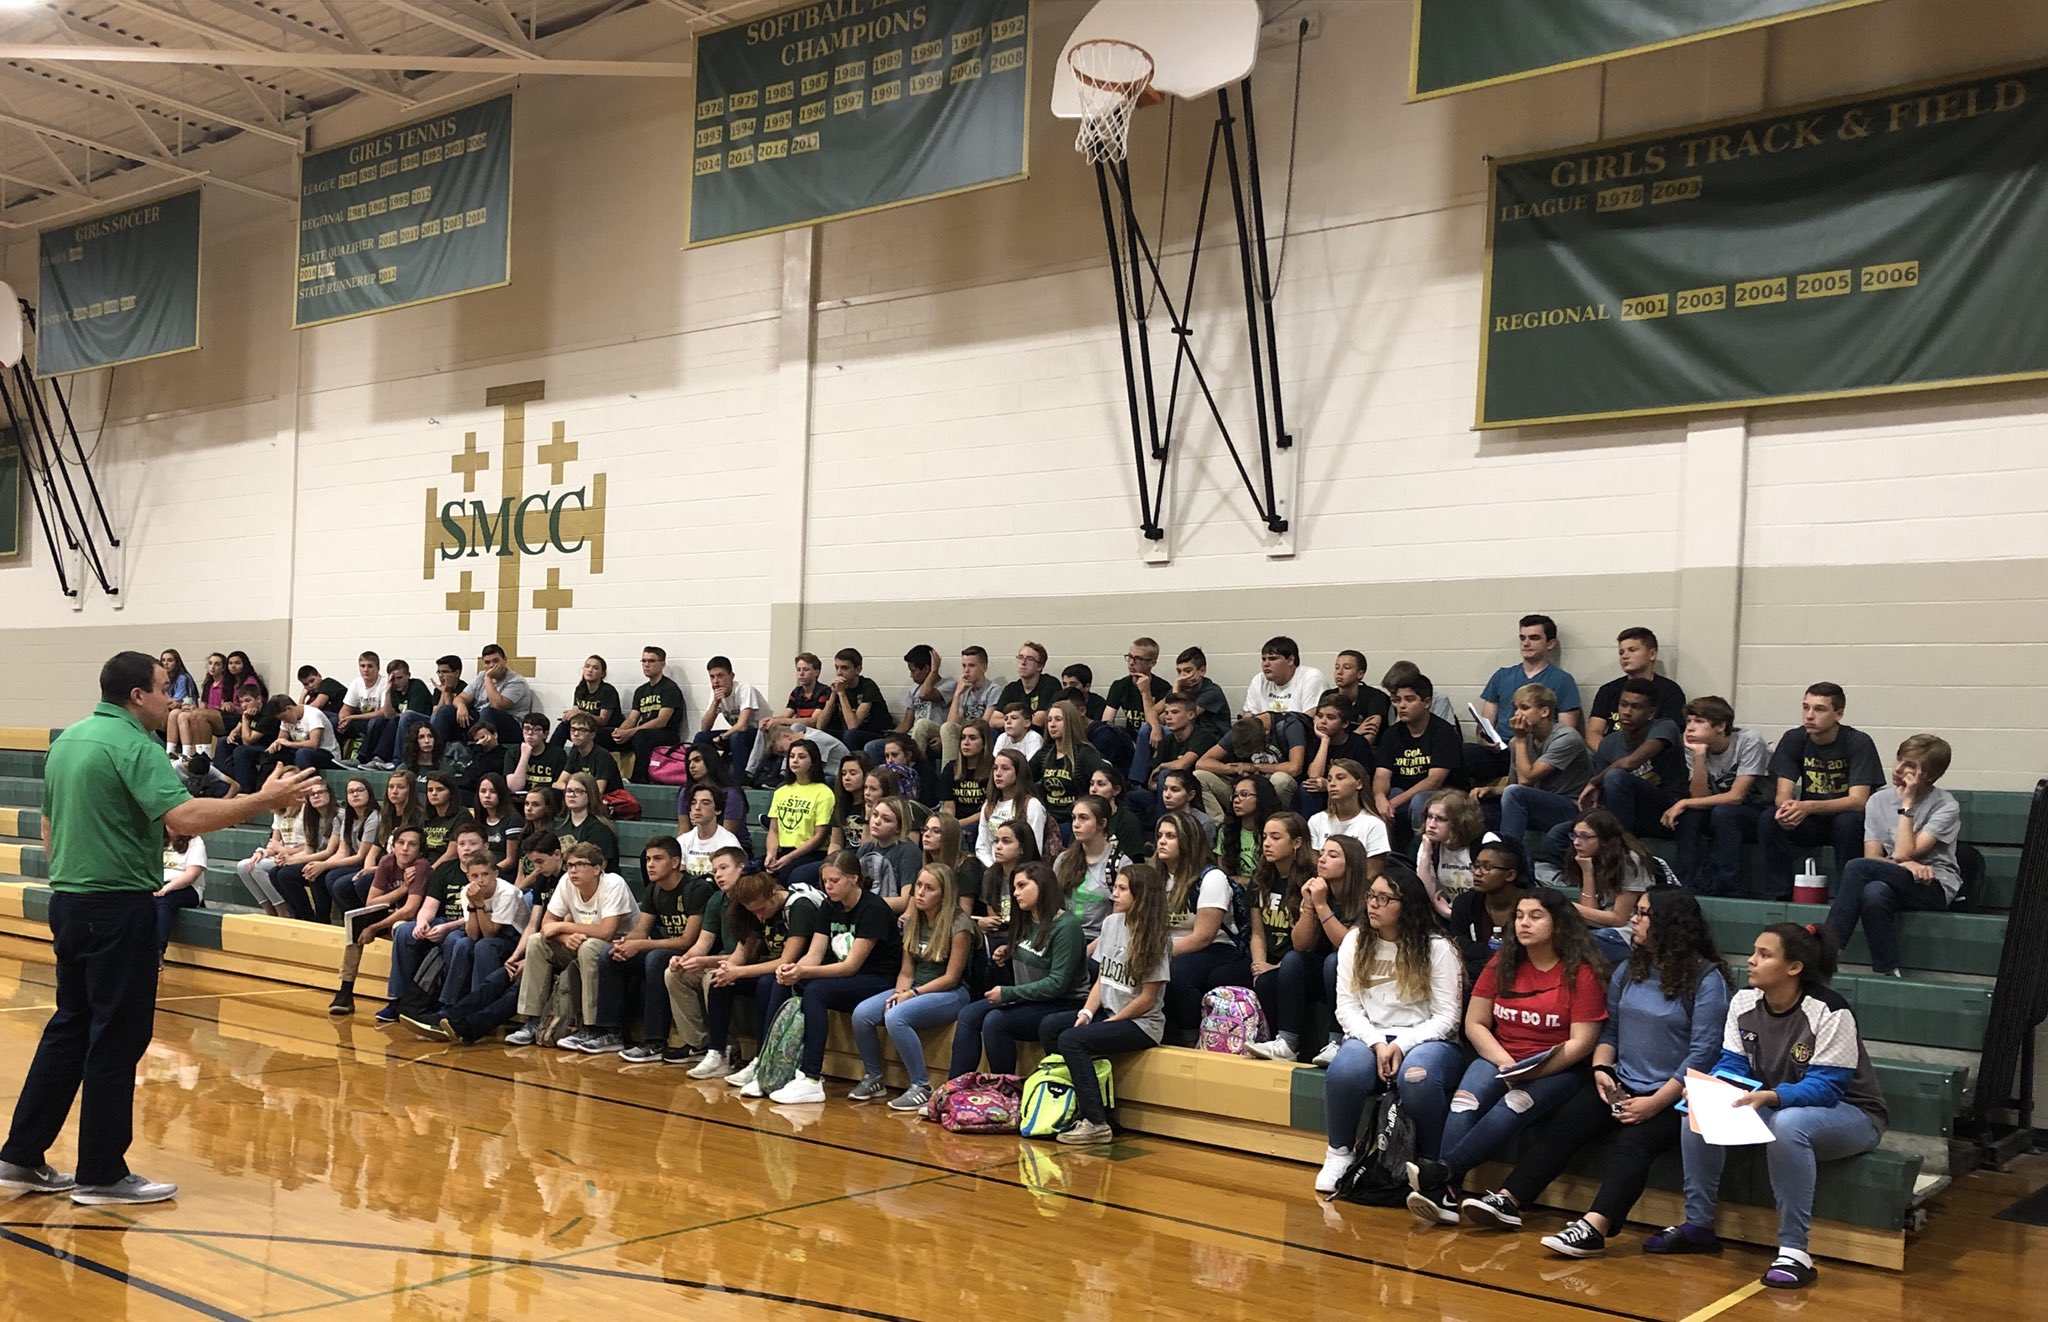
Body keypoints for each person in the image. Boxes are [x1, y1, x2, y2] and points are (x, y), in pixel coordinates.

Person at [0, 653, 315, 1206]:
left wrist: (83, 868)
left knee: (70, 1027)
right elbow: (184, 818)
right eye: (165, 688)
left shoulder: (68, 741)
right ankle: (101, 1173)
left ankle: (20, 1158)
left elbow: (50, 825)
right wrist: (263, 800)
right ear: (137, 695)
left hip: (69, 901)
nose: (173, 699)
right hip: (118, 906)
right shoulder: (135, 745)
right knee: (117, 1036)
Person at [1467, 890, 1730, 1254]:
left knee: (1633, 1143)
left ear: (1670, 923)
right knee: (1568, 1122)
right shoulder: (1629, 969)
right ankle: (1510, 1198)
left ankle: (1594, 1227)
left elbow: (1703, 1054)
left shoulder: (1706, 980)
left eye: (1643, 913)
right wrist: (1602, 1068)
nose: (1634, 919)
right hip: (1622, 1081)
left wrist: (1654, 1103)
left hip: (1676, 1095)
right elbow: (1610, 1032)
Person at [1654, 923, 1886, 1290]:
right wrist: (1711, 1087)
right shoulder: (1743, 1001)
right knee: (1698, 1110)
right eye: (1754, 951)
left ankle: (1795, 1251)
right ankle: (1699, 1225)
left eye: (1764, 955)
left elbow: (1827, 1088)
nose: (1751, 960)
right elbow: (1733, 1064)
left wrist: (1772, 1097)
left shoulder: (1830, 1010)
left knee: (1789, 1125)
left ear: (1793, 968)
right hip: (1775, 1104)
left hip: (1852, 1114)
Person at [1406, 889, 1606, 1227]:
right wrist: (1506, 1064)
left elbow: (1583, 1042)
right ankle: (1447, 1193)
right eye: (1520, 916)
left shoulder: (1581, 973)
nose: (1524, 923)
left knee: (1514, 1103)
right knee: (1464, 1102)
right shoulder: (1503, 962)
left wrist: (1532, 1072)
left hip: (1557, 1067)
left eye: (1536, 916)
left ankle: (1443, 1173)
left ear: (1558, 924)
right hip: (1502, 1056)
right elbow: (1475, 1023)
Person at [1313, 866, 1463, 1195]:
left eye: (1385, 899)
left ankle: (1431, 1163)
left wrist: (1403, 1044)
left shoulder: (1438, 948)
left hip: (1428, 1039)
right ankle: (1339, 1152)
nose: (1373, 904)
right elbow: (1346, 1007)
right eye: (1371, 896)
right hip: (1372, 1036)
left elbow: (1448, 1017)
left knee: (1417, 1077)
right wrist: (1377, 1043)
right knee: (1344, 1071)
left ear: (1407, 906)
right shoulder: (1355, 940)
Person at [1035, 862, 1173, 1145]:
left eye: (1122, 889)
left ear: (1140, 895)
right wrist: (1087, 1012)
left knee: (1072, 1040)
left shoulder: (1157, 939)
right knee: (1050, 1026)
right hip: (1109, 1012)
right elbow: (1102, 979)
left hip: (1140, 1023)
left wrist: (1112, 1022)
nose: (1114, 894)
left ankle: (1096, 1122)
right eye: (1115, 887)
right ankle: (1075, 1101)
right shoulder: (1111, 924)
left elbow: (1147, 999)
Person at [766, 850, 905, 1104]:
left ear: (853, 878)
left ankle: (811, 1077)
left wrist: (804, 972)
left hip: (877, 979)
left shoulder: (873, 908)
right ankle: (766, 1063)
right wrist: (793, 969)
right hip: (847, 978)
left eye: (835, 880)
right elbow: (815, 954)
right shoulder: (829, 906)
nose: (828, 886)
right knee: (782, 982)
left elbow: (850, 966)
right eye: (825, 881)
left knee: (816, 991)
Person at [1605, 696, 1771, 896]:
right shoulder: (1694, 747)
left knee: (1724, 813)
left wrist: (1683, 802)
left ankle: (1728, 887)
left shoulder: (1749, 740)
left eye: (1699, 721)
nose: (1690, 728)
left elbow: (1736, 797)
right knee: (1690, 816)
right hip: (1717, 809)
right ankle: (1683, 884)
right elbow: (1699, 797)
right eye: (1689, 721)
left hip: (1757, 811)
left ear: (1720, 726)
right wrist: (1699, 757)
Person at [1825, 734, 1962, 977]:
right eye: (1899, 759)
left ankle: (1826, 951)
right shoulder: (1878, 800)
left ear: (1928, 775)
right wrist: (1906, 864)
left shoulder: (1946, 806)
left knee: (1857, 868)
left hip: (1934, 884)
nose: (1898, 769)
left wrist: (1907, 804)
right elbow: (1873, 857)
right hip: (1894, 877)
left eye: (1910, 765)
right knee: (1874, 892)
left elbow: (1902, 853)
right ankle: (1887, 971)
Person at [947, 861, 1088, 1080]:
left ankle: (1005, 1089)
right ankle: (955, 1087)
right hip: (1030, 998)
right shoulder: (1026, 918)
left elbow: (1057, 984)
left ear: (1042, 885)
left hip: (1063, 1002)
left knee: (995, 1022)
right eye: (1014, 887)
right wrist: (1009, 951)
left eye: (1022, 886)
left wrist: (1008, 993)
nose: (1015, 893)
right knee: (968, 1014)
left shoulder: (1066, 927)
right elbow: (1032, 950)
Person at [850, 863, 976, 1111]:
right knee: (862, 1014)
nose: (920, 892)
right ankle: (874, 1077)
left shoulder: (960, 926)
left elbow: (951, 978)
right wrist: (899, 993)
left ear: (944, 895)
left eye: (929, 888)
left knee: (896, 1017)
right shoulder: (911, 922)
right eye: (918, 885)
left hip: (950, 993)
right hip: (915, 986)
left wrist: (912, 995)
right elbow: (907, 971)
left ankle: (921, 1086)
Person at [1757, 683, 1885, 901]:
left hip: (1844, 818)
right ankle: (1778, 894)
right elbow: (1783, 793)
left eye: (1819, 709)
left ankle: (1848, 896)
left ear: (1839, 714)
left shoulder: (1857, 741)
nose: (1809, 715)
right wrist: (1787, 809)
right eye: (1805, 707)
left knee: (1848, 822)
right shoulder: (1794, 738)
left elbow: (1858, 801)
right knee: (1770, 818)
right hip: (1811, 821)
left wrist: (1807, 806)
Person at [505, 843, 636, 1047]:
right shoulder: (566, 882)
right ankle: (533, 1020)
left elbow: (606, 931)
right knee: (536, 941)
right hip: (580, 942)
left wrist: (565, 927)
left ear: (597, 868)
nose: (573, 870)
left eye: (580, 864)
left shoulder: (613, 884)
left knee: (589, 947)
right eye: (570, 865)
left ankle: (591, 1027)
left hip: (619, 947)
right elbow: (547, 925)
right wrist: (565, 938)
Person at [702, 870, 824, 1087]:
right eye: (753, 912)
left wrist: (738, 972)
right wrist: (728, 970)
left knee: (768, 982)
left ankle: (761, 1059)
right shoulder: (754, 910)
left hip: (801, 971)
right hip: (772, 970)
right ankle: (717, 1053)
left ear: (773, 895)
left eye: (761, 910)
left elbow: (786, 961)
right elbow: (742, 953)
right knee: (719, 982)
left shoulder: (799, 907)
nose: (759, 916)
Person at [609, 836, 714, 1061]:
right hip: (667, 948)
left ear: (675, 862)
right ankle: (608, 1032)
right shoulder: (654, 889)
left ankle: (655, 1041)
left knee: (655, 959)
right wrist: (624, 943)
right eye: (648, 859)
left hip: (697, 953)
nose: (650, 865)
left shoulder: (697, 889)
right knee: (608, 955)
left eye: (657, 859)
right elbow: (641, 930)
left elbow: (687, 941)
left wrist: (640, 944)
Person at [1563, 678, 1685, 856]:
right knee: (1561, 833)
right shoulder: (1609, 743)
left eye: (1636, 707)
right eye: (1623, 705)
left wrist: (1595, 781)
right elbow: (1603, 796)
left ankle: (1620, 852)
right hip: (1626, 813)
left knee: (1616, 776)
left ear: (1651, 712)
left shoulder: (1665, 727)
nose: (1627, 712)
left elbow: (1630, 763)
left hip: (1664, 811)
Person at [1157, 809, 1249, 1040]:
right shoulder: (1154, 876)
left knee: (1176, 972)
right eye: (1160, 835)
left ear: (1188, 841)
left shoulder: (1211, 878)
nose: (1162, 841)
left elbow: (1203, 936)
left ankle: (1189, 1037)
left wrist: (1156, 954)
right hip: (1168, 945)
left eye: (1170, 836)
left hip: (1216, 947)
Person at [327, 825, 432, 1016]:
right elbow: (371, 901)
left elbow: (410, 910)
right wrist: (403, 889)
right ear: (393, 846)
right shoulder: (387, 861)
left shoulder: (421, 867)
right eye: (401, 843)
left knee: (398, 927)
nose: (405, 848)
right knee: (356, 925)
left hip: (418, 922)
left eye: (412, 844)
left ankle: (399, 998)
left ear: (420, 850)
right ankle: (345, 991)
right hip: (395, 913)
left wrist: (375, 927)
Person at [661, 847, 749, 1069]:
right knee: (674, 973)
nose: (718, 875)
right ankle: (699, 1043)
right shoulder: (717, 899)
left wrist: (705, 961)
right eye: (715, 870)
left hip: (748, 964)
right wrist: (684, 959)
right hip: (724, 959)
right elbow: (703, 943)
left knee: (713, 977)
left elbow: (745, 955)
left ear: (742, 868)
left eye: (724, 868)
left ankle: (726, 1047)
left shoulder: (750, 899)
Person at [1243, 812, 1320, 1061]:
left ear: (1296, 842)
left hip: (1302, 961)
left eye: (1275, 838)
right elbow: (1257, 933)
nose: (1267, 843)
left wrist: (1274, 967)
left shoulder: (1311, 880)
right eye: (1265, 837)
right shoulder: (1261, 879)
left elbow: (1310, 944)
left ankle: (1288, 1044)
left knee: (1277, 975)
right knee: (1226, 975)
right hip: (1268, 959)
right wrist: (1258, 965)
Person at [1488, 683, 1594, 858]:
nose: (1517, 714)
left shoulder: (1567, 738)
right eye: (1515, 708)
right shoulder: (1517, 742)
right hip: (1537, 803)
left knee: (1516, 793)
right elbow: (1513, 784)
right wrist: (1490, 790)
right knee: (1485, 806)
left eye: (1524, 708)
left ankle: (1509, 858)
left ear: (1544, 712)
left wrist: (1520, 740)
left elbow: (1526, 780)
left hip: (1571, 807)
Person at [1373, 673, 1463, 850]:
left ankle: (1423, 854)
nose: (1401, 705)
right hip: (1403, 795)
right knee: (1387, 795)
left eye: (1409, 699)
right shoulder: (1392, 734)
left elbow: (1434, 781)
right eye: (1397, 700)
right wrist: (1379, 797)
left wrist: (1394, 803)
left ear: (1427, 703)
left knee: (1419, 801)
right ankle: (1388, 855)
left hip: (1443, 795)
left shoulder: (1443, 732)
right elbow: (1381, 774)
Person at [1448, 839, 1532, 986]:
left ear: (1510, 875)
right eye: (1476, 866)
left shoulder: (1533, 904)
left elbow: (1529, 952)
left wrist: (1479, 953)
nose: (1477, 873)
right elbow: (1459, 944)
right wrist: (1501, 953)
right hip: (1475, 979)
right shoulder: (1465, 903)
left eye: (1487, 867)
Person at [1585, 627, 1686, 745]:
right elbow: (1594, 732)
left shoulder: (1670, 691)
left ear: (1652, 654)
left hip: (1652, 752)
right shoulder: (1608, 690)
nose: (1624, 656)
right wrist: (1608, 753)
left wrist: (1635, 757)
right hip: (1612, 751)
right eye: (1621, 652)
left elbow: (1669, 735)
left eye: (1632, 650)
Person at [1054, 795, 1131, 943]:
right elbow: (1053, 905)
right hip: (1064, 935)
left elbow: (1119, 921)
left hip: (1101, 939)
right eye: (1074, 818)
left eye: (1083, 818)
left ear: (1102, 823)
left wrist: (1086, 951)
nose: (1076, 824)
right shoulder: (1063, 859)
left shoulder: (1121, 864)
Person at [763, 738, 837, 891]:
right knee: (751, 872)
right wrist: (771, 854)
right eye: (792, 756)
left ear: (812, 762)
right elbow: (773, 830)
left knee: (787, 875)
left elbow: (819, 836)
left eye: (801, 757)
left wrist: (789, 858)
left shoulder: (824, 792)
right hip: (783, 850)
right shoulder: (781, 791)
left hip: (810, 853)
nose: (795, 760)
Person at [267, 780, 344, 922]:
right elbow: (309, 850)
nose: (316, 796)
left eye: (321, 792)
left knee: (307, 873)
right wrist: (287, 859)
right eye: (312, 794)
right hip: (317, 858)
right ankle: (301, 916)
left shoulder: (338, 815)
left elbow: (329, 852)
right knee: (275, 873)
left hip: (334, 860)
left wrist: (292, 860)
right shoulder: (311, 817)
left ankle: (321, 920)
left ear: (329, 794)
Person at [1415, 789, 1497, 919]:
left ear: (1459, 822)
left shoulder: (1486, 842)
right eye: (1429, 817)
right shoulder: (1430, 844)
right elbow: (1425, 895)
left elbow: (1497, 893)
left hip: (1485, 916)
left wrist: (1453, 914)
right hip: (1450, 913)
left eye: (1440, 819)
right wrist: (1426, 854)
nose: (1431, 825)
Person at [750, 652, 832, 781]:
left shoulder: (824, 691)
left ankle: (784, 773)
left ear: (816, 672)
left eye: (805, 670)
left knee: (795, 726)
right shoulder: (797, 692)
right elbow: (785, 715)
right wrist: (771, 720)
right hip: (800, 729)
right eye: (798, 670)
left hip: (814, 732)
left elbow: (813, 721)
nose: (801, 673)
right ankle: (751, 771)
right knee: (765, 727)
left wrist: (781, 720)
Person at [235, 784, 313, 918]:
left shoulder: (306, 810)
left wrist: (284, 850)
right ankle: (270, 911)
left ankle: (283, 911)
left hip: (300, 856)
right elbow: (273, 844)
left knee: (257, 867)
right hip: (282, 854)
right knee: (244, 866)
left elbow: (311, 846)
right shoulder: (280, 813)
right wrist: (262, 853)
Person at [435, 644, 534, 749]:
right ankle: (436, 751)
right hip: (481, 719)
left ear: (505, 660)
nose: (492, 665)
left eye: (495, 661)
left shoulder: (516, 681)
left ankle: (477, 752)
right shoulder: (481, 676)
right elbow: (460, 698)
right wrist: (461, 706)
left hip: (509, 726)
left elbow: (497, 705)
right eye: (487, 662)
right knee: (446, 711)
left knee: (488, 712)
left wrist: (488, 678)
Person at [1199, 714, 1305, 810]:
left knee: (1280, 779)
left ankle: (1280, 820)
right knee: (1200, 775)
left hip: (1277, 789)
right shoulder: (1243, 729)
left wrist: (1255, 767)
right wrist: (1234, 769)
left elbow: (1295, 768)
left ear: (1266, 732)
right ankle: (1220, 823)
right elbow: (1202, 763)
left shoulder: (1288, 726)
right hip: (1246, 789)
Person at [614, 646, 686, 784]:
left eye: (651, 661)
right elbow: (632, 718)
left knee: (641, 736)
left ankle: (640, 779)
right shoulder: (641, 691)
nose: (646, 665)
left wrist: (631, 732)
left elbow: (661, 721)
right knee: (601, 735)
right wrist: (620, 732)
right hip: (642, 733)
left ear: (662, 664)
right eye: (644, 661)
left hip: (666, 734)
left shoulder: (669, 688)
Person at [1299, 694, 1378, 818]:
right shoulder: (1314, 741)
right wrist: (1325, 740)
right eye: (1320, 716)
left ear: (1345, 723)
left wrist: (1328, 785)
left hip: (1351, 796)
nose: (1323, 721)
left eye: (1330, 717)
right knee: (1307, 789)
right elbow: (1314, 777)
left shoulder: (1358, 744)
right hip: (1322, 796)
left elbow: (1362, 783)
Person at [872, 644, 952, 766]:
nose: (911, 675)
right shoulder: (913, 689)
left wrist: (934, 671)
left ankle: (912, 770)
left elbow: (925, 695)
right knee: (874, 746)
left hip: (935, 733)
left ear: (926, 668)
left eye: (913, 671)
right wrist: (891, 736)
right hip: (913, 736)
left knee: (922, 724)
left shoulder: (948, 685)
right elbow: (907, 723)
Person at [1033, 700, 1104, 836]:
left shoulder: (1085, 753)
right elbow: (1024, 775)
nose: (1052, 724)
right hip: (1049, 818)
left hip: (1074, 820)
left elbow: (1104, 781)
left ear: (1070, 722)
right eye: (1049, 720)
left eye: (1058, 719)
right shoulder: (1045, 753)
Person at [975, 749, 1055, 866]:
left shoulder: (1032, 805)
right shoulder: (989, 806)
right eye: (995, 768)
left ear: (1018, 773)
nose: (998, 773)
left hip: (1022, 870)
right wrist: (994, 869)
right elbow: (981, 847)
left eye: (1005, 768)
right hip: (992, 869)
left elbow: (1033, 849)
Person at [1103, 638, 1168, 773]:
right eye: (1129, 657)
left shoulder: (1163, 688)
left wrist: (1145, 692)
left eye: (1138, 659)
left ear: (1152, 663)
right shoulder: (1120, 685)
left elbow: (1157, 723)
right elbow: (1107, 720)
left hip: (1153, 741)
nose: (1131, 663)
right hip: (1129, 741)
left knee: (1147, 730)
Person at [1305, 759, 1390, 862]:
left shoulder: (1374, 824)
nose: (1332, 784)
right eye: (1329, 779)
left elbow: (1373, 870)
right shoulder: (1316, 820)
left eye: (1340, 778)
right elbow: (1315, 865)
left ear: (1359, 784)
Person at [695, 655, 766, 775]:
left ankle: (740, 780)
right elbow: (705, 727)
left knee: (736, 737)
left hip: (760, 735)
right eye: (712, 677)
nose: (716, 681)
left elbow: (742, 726)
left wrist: (722, 737)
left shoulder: (744, 689)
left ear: (731, 676)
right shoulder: (715, 694)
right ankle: (704, 777)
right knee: (701, 737)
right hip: (738, 734)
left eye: (720, 676)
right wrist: (715, 702)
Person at [940, 645, 1006, 771]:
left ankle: (952, 772)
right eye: (964, 666)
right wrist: (957, 694)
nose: (966, 671)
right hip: (965, 731)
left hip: (981, 732)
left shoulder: (993, 690)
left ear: (984, 668)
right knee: (928, 725)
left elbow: (984, 724)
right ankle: (949, 772)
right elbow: (952, 723)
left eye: (971, 665)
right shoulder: (964, 690)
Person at [361, 658, 434, 771]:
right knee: (379, 721)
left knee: (405, 716)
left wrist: (397, 715)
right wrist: (387, 692)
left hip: (425, 722)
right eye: (393, 679)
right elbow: (388, 715)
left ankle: (397, 761)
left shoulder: (417, 686)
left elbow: (410, 715)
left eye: (400, 678)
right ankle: (368, 759)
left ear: (408, 675)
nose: (396, 682)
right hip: (404, 720)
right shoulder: (393, 689)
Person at [819, 647, 891, 752]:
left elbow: (853, 725)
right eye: (837, 667)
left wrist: (841, 693)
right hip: (849, 733)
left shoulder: (868, 686)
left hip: (875, 733)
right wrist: (833, 694)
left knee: (850, 735)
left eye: (844, 668)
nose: (839, 672)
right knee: (820, 735)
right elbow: (820, 725)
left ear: (858, 669)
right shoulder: (837, 688)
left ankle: (854, 762)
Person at [1243, 634, 1328, 720]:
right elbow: (1248, 718)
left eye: (1273, 659)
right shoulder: (1259, 680)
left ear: (1290, 660)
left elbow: (1308, 720)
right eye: (1264, 659)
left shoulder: (1311, 677)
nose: (1265, 664)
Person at [152, 829, 207, 960]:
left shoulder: (195, 842)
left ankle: (158, 952)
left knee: (164, 902)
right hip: (160, 884)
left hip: (188, 888)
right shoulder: (156, 840)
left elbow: (191, 876)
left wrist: (166, 888)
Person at [552, 655, 622, 749]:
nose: (590, 670)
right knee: (564, 727)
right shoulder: (580, 689)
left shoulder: (608, 691)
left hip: (606, 731)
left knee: (582, 733)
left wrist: (582, 714)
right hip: (585, 729)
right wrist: (568, 717)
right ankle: (553, 755)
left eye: (595, 668)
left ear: (602, 673)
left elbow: (603, 721)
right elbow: (576, 714)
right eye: (587, 666)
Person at [555, 772, 619, 872]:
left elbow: (597, 870)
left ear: (590, 795)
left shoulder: (600, 830)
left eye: (578, 791)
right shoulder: (556, 825)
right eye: (569, 791)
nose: (572, 795)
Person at [677, 783, 743, 877]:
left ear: (718, 810)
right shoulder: (683, 840)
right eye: (693, 803)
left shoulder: (729, 843)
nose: (697, 807)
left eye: (705, 803)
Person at [1327, 649, 1391, 741]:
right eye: (1337, 667)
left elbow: (1369, 735)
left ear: (1360, 674)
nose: (1339, 672)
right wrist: (1357, 733)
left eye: (1346, 668)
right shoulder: (1328, 696)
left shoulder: (1375, 697)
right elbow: (1321, 731)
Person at [266, 693, 340, 771]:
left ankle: (305, 778)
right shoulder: (286, 720)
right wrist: (276, 744)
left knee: (302, 753)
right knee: (273, 753)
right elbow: (281, 739)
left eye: (283, 717)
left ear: (289, 708)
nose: (284, 721)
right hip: (301, 750)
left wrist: (289, 743)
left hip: (327, 753)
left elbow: (314, 744)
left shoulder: (313, 715)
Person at [554, 713, 622, 796]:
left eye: (582, 730)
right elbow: (558, 783)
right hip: (583, 796)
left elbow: (598, 791)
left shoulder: (602, 756)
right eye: (573, 729)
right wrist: (574, 790)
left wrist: (574, 790)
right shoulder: (575, 751)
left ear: (592, 735)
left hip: (609, 800)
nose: (576, 734)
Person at [999, 641, 1062, 728]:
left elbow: (1038, 720)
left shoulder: (1050, 684)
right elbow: (993, 720)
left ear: (1040, 666)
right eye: (1020, 657)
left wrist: (1010, 722)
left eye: (1030, 659)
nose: (1023, 663)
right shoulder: (1011, 688)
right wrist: (1019, 723)